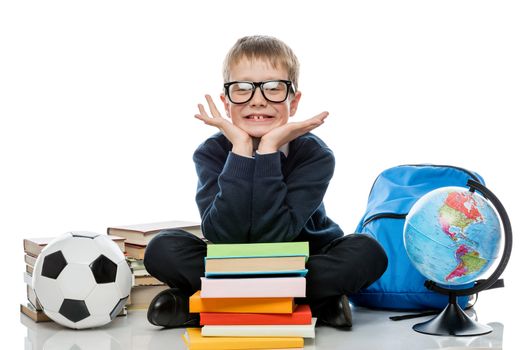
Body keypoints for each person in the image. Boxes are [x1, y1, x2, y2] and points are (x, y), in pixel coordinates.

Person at [144, 35, 388, 329]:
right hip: (231, 262)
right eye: (242, 89)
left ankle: (201, 306)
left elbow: (275, 237)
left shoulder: (314, 155)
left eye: (273, 88)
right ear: (226, 102)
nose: (257, 99)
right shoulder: (211, 152)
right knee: (161, 248)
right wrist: (242, 153)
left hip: (302, 258)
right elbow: (224, 237)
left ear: (293, 102)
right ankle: (315, 303)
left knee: (367, 251)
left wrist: (269, 149)